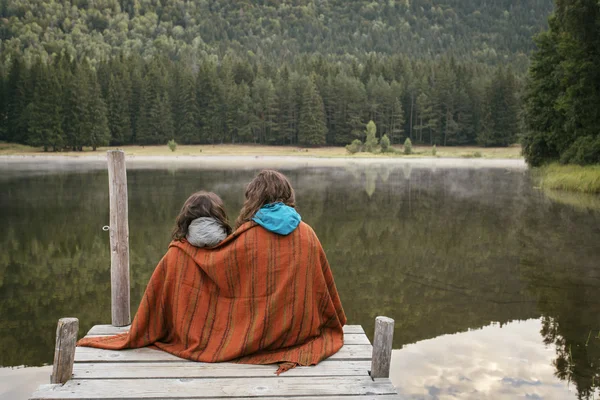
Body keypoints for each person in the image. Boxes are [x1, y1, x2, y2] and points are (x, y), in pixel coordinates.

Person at [78, 170, 346, 374]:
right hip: (299, 334)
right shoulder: (308, 233)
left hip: (258, 338)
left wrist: (182, 251)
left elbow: (216, 264)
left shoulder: (247, 236)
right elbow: (324, 295)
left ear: (255, 198)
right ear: (288, 196)